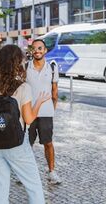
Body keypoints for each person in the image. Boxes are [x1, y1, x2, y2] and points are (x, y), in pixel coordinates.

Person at [0, 44, 50, 204]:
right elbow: (28, 119)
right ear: (17, 63)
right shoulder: (22, 87)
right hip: (17, 145)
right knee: (34, 186)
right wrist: (39, 102)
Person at [26, 39, 62, 185]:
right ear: (31, 51)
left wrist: (52, 108)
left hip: (46, 113)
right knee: (27, 144)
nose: (37, 51)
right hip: (29, 112)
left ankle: (52, 172)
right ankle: (25, 173)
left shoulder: (52, 67)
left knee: (48, 143)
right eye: (34, 48)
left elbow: (55, 91)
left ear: (45, 50)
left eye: (40, 48)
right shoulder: (24, 67)